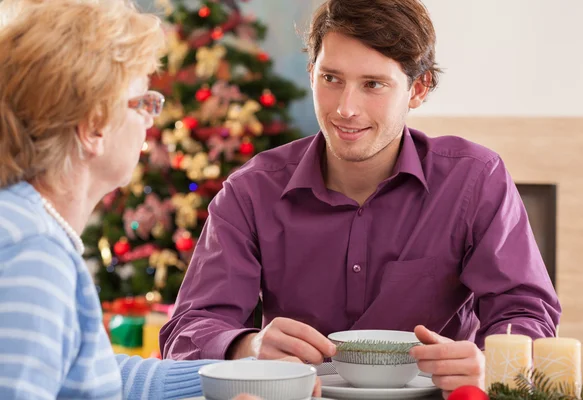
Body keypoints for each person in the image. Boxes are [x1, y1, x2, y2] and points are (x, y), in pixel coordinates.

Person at [160, 0, 561, 396]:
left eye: (373, 85)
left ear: (417, 89)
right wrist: (248, 347)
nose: (345, 108)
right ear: (311, 73)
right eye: (331, 78)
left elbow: (525, 310)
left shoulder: (474, 179)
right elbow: (188, 330)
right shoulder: (250, 192)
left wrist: (492, 363)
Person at [0, 0, 320, 399]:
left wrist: (246, 374)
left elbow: (96, 374)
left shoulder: (28, 229)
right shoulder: (33, 253)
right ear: (94, 125)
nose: (152, 119)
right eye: (142, 102)